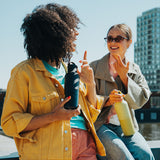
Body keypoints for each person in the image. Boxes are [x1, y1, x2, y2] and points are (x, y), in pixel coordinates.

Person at [1, 3, 106, 160]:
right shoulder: (24, 72)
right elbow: (9, 123)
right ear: (55, 34)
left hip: (85, 147)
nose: (76, 33)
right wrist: (53, 116)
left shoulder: (71, 71)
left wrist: (90, 84)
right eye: (71, 29)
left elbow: (91, 115)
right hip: (48, 152)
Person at [90, 24, 155, 160]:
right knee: (123, 155)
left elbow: (141, 100)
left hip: (127, 126)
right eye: (109, 39)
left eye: (118, 38)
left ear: (129, 42)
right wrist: (107, 101)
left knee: (146, 155)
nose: (113, 42)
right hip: (101, 125)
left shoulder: (134, 69)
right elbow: (85, 101)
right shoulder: (93, 67)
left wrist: (125, 78)